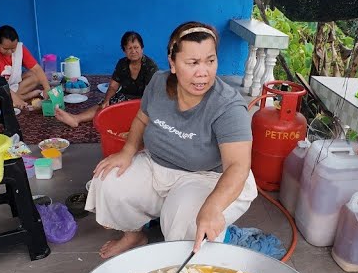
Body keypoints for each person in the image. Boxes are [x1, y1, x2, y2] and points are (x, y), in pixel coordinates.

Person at [84, 21, 257, 258]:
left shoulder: (227, 105)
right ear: (173, 64)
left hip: (206, 177)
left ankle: (207, 245)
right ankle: (134, 235)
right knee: (109, 180)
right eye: (192, 63)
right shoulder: (157, 83)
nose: (203, 72)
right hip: (157, 165)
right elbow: (141, 120)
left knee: (186, 221)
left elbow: (238, 166)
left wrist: (214, 205)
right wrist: (127, 152)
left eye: (210, 60)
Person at [56, 30, 158, 127]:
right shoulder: (122, 64)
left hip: (145, 101)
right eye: (129, 48)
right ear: (124, 51)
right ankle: (76, 118)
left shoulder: (150, 66)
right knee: (104, 105)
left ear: (142, 48)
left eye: (136, 47)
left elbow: (150, 94)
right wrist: (107, 101)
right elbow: (113, 86)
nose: (133, 51)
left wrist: (130, 108)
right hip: (125, 97)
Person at [0, 24, 50, 107]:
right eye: (5, 49)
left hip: (9, 83)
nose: (10, 52)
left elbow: (37, 69)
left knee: (36, 76)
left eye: (13, 48)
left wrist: (47, 88)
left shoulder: (20, 48)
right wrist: (16, 98)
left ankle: (12, 98)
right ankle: (23, 97)